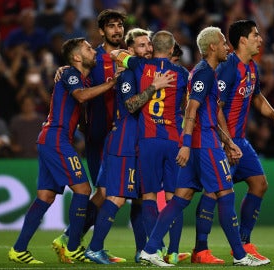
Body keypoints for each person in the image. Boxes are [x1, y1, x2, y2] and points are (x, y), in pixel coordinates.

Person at [136, 26, 268, 267]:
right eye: (223, 43)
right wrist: (186, 145)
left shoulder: (210, 73)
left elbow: (209, 112)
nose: (228, 47)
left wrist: (228, 142)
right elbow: (191, 110)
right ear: (212, 47)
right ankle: (240, 255)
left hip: (204, 141)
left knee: (180, 198)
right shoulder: (204, 73)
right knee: (226, 194)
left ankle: (149, 249)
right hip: (203, 144)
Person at [8, 37, 119, 264]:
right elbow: (79, 96)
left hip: (53, 139)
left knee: (46, 196)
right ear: (77, 57)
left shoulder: (82, 80)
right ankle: (72, 247)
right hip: (56, 139)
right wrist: (110, 84)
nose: (93, 50)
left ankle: (18, 249)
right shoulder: (71, 74)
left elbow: (79, 109)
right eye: (88, 48)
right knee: (83, 188)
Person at [192, 19, 274, 264]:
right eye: (256, 35)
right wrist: (226, 143)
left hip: (240, 142)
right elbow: (217, 107)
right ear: (243, 40)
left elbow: (257, 98)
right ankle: (200, 249)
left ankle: (245, 241)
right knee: (215, 193)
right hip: (224, 140)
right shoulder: (228, 67)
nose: (260, 39)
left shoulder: (252, 67)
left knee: (259, 184)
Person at [84, 27, 175, 264]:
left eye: (150, 44)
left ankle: (144, 250)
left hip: (137, 144)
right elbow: (132, 105)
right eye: (142, 45)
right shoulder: (127, 75)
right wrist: (154, 87)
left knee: (138, 199)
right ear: (130, 50)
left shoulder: (145, 72)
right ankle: (93, 248)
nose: (148, 49)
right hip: (124, 142)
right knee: (116, 198)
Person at [111, 30, 191, 265]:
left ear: (153, 48)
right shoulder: (182, 74)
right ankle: (172, 251)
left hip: (147, 140)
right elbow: (188, 106)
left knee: (148, 195)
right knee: (174, 196)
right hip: (173, 141)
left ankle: (152, 250)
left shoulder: (137, 65)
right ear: (173, 47)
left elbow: (117, 53)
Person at [51, 9, 125, 264]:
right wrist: (63, 68)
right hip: (99, 136)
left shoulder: (128, 57)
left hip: (124, 137)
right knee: (106, 193)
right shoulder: (93, 57)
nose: (117, 30)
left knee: (116, 194)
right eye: (111, 26)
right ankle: (73, 240)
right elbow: (75, 72)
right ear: (102, 31)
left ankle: (80, 242)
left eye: (119, 26)